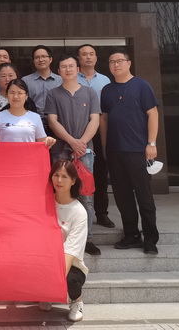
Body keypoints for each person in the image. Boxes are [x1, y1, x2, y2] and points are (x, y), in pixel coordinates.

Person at [100, 48, 160, 255]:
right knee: (122, 196)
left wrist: (151, 143)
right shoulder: (107, 90)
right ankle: (131, 234)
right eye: (111, 61)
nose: (115, 65)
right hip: (115, 150)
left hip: (137, 150)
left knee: (144, 196)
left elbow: (153, 114)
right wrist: (105, 146)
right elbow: (104, 119)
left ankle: (150, 238)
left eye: (119, 61)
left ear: (129, 63)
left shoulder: (142, 86)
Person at [45, 54, 102, 256]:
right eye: (63, 67)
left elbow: (95, 120)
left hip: (85, 153)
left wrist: (82, 143)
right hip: (61, 151)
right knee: (60, 193)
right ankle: (59, 237)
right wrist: (72, 141)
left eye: (71, 66)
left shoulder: (89, 92)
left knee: (86, 195)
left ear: (78, 69)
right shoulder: (53, 94)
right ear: (58, 71)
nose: (68, 70)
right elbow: (53, 121)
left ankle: (87, 239)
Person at [38, 160, 89, 323]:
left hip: (70, 263)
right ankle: (46, 294)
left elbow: (70, 250)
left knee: (70, 280)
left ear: (73, 181)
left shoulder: (79, 212)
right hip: (45, 258)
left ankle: (77, 301)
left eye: (65, 177)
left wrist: (54, 280)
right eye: (56, 175)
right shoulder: (44, 202)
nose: (59, 180)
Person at [76, 43, 114, 229]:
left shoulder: (105, 80)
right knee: (79, 174)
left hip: (100, 133)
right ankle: (79, 214)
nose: (88, 57)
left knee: (100, 174)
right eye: (84, 54)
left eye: (91, 54)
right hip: (78, 133)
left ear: (96, 58)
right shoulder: (71, 77)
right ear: (79, 58)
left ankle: (101, 213)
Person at [0, 79, 55, 147]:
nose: (15, 96)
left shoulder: (35, 117)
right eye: (12, 93)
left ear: (26, 96)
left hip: (29, 154)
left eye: (20, 93)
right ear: (7, 95)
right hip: (5, 154)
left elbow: (42, 143)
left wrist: (48, 141)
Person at [0, 63, 36, 141]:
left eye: (11, 75)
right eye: (3, 76)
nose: (7, 79)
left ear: (17, 77)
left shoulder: (28, 101)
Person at [22, 45, 60, 135]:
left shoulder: (60, 80)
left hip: (58, 125)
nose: (41, 60)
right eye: (37, 57)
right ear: (33, 61)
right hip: (33, 126)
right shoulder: (26, 81)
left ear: (50, 59)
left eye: (43, 56)